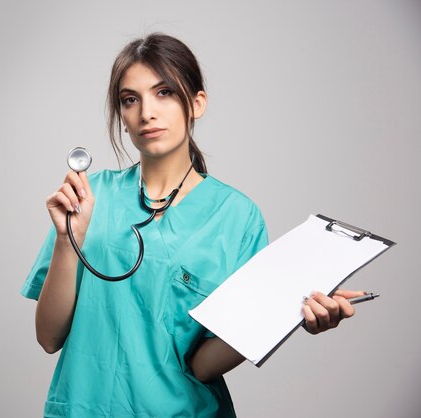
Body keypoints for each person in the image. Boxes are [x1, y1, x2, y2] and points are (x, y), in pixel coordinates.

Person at [21, 33, 365, 418]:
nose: (146, 112)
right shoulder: (88, 197)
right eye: (130, 99)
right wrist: (70, 240)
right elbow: (48, 337)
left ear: (196, 104)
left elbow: (201, 365)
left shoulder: (237, 217)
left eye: (164, 92)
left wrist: (287, 315)